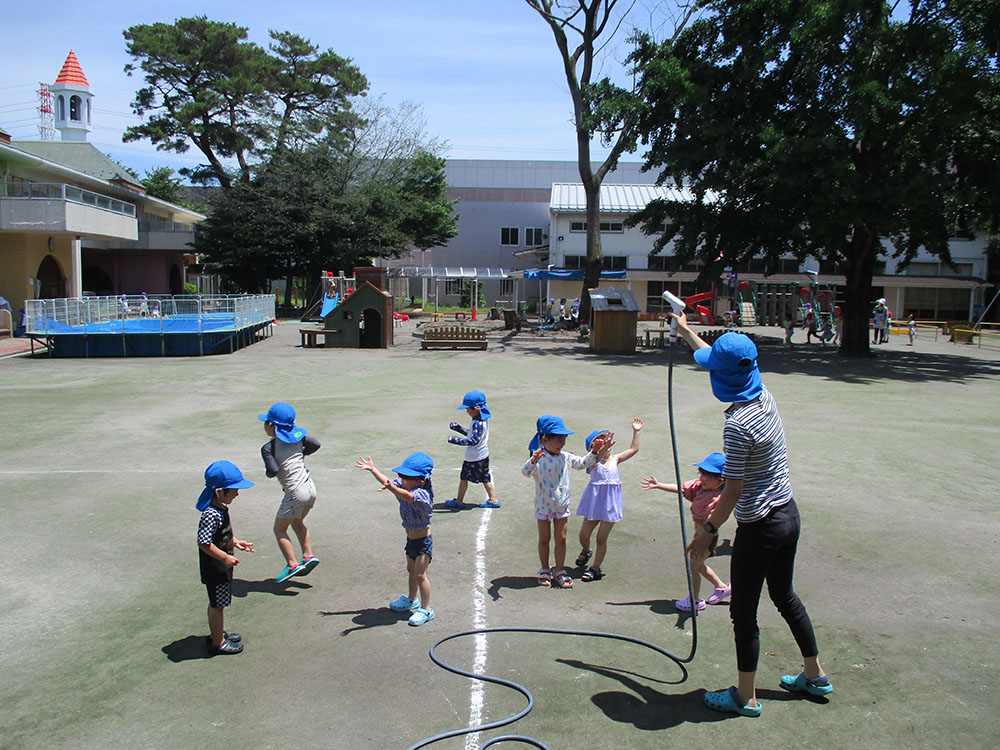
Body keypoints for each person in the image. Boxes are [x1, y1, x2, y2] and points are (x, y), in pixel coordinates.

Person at [669, 316, 833, 718]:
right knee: (785, 596)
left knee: (743, 612)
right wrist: (686, 329)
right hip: (788, 515)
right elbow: (715, 359)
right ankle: (815, 674)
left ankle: (746, 696)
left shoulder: (737, 425)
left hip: (759, 527)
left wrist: (708, 531)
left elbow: (735, 490)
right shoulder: (766, 397)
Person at [522, 415, 609, 589]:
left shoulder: (566, 457)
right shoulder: (539, 458)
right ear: (545, 439)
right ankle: (545, 569)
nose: (562, 442)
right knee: (544, 539)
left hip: (561, 505)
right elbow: (525, 472)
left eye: (564, 439)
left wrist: (594, 451)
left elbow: (583, 463)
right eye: (559, 439)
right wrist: (533, 461)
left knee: (561, 539)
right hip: (543, 506)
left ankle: (559, 570)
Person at [641, 452, 731, 610]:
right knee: (699, 565)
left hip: (707, 537)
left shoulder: (720, 498)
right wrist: (660, 485)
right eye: (701, 472)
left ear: (720, 480)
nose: (702, 477)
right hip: (698, 534)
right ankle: (722, 587)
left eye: (708, 475)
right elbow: (682, 488)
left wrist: (706, 529)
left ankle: (695, 600)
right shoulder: (699, 487)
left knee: (693, 567)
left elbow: (715, 519)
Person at [355, 451, 436, 626]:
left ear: (420, 480)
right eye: (401, 476)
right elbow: (389, 482)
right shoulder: (406, 485)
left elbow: (405, 496)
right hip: (411, 541)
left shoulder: (422, 494)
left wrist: (391, 487)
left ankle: (426, 609)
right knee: (411, 570)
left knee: (421, 575)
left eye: (406, 477)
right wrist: (373, 469)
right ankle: (411, 600)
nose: (402, 479)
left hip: (423, 542)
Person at [196, 460, 255, 655]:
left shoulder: (220, 509)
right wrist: (224, 558)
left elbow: (220, 535)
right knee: (217, 605)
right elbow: (204, 542)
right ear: (219, 491)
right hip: (216, 569)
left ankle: (217, 633)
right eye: (234, 490)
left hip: (221, 566)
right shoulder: (211, 514)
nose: (237, 493)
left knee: (218, 602)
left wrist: (235, 542)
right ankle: (217, 642)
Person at [259, 402, 321, 583]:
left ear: (271, 426)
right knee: (298, 522)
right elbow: (315, 444)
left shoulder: (268, 448)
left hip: (295, 493)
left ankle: (292, 564)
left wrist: (272, 469)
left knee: (279, 529)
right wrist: (301, 454)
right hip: (311, 488)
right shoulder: (299, 439)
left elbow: (272, 471)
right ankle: (308, 555)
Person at [573, 418, 642, 582]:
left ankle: (595, 568)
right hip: (593, 504)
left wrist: (636, 431)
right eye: (601, 440)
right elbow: (597, 457)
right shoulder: (592, 462)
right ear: (592, 448)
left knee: (601, 539)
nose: (605, 441)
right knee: (583, 535)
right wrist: (602, 449)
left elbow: (634, 449)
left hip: (610, 505)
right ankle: (586, 550)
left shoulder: (615, 459)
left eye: (606, 438)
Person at [445, 390, 500, 509]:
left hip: (474, 457)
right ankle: (494, 500)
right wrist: (458, 428)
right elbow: (471, 434)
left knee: (464, 478)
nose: (466, 411)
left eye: (468, 409)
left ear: (476, 408)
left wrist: (455, 440)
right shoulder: (480, 421)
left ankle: (459, 501)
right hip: (483, 456)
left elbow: (473, 440)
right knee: (485, 477)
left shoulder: (478, 423)